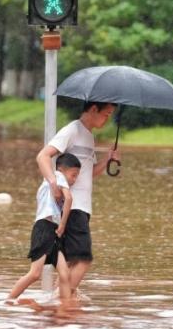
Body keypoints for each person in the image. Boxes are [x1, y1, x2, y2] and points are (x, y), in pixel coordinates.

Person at [36, 101, 119, 299]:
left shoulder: (89, 136)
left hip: (82, 207)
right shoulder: (72, 130)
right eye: (106, 114)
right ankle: (62, 300)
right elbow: (43, 156)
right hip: (73, 207)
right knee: (83, 258)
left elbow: (87, 175)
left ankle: (60, 310)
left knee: (73, 262)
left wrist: (108, 161)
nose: (107, 119)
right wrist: (54, 183)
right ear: (93, 109)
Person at [7, 153, 82, 301]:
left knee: (65, 274)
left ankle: (64, 308)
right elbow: (69, 198)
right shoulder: (58, 176)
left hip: (53, 230)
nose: (74, 180)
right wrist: (62, 224)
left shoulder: (52, 182)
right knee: (35, 274)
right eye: (73, 175)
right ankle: (8, 300)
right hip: (45, 228)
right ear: (61, 169)